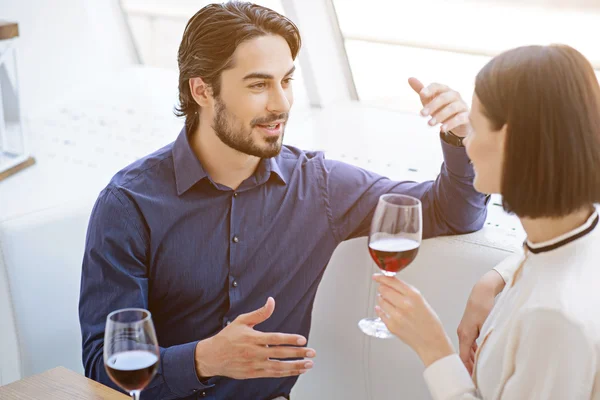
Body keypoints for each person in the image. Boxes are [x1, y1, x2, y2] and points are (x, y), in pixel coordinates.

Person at [78, 2, 487, 399]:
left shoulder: (319, 185)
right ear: (202, 90)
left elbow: (452, 212)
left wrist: (459, 135)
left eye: (287, 81)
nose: (281, 103)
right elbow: (103, 368)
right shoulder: (128, 205)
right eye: (258, 85)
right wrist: (205, 359)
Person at [374, 44, 600, 399]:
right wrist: (494, 279)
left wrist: (433, 347)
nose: (466, 145)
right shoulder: (573, 237)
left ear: (508, 141)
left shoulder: (554, 321)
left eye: (474, 129)